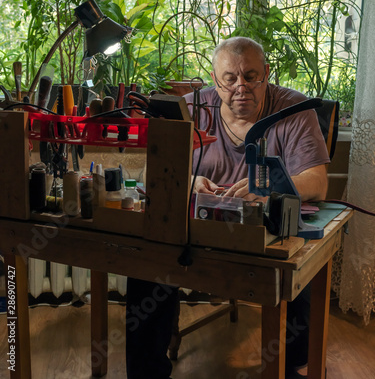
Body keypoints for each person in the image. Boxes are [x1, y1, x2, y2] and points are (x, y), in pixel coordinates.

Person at [126, 36, 329, 379]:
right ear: (214, 78)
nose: (241, 87)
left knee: (297, 278)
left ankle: (289, 366)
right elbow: (152, 171)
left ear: (266, 72)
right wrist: (189, 182)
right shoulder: (190, 107)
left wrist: (267, 189)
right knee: (147, 263)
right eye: (230, 79)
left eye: (251, 76)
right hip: (201, 232)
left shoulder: (294, 108)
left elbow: (318, 183)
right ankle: (148, 372)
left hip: (265, 237)